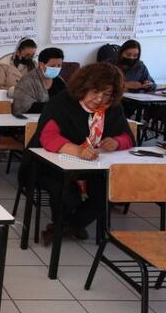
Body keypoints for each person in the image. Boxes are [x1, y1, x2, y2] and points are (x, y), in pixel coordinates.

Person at [22, 63, 134, 243]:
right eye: (95, 91)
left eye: (106, 95)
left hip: (92, 167)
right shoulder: (61, 103)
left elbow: (127, 137)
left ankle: (66, 226)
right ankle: (70, 225)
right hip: (47, 164)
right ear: (83, 87)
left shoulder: (113, 109)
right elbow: (48, 137)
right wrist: (77, 150)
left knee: (109, 192)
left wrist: (116, 142)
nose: (99, 99)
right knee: (67, 193)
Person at [12, 47, 67, 115]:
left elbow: (66, 101)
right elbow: (22, 107)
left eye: (59, 65)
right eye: (52, 66)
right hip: (30, 122)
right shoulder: (28, 81)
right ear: (41, 65)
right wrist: (53, 107)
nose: (56, 68)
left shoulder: (59, 81)